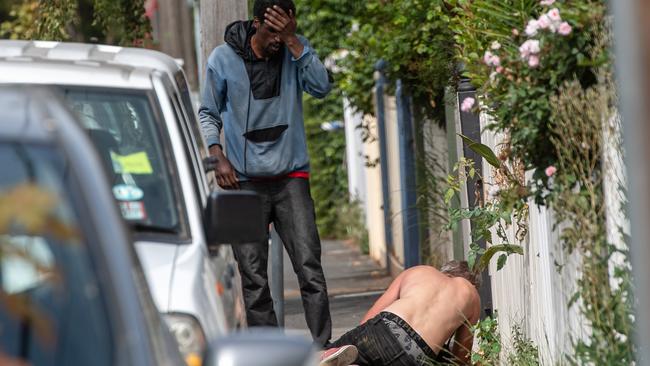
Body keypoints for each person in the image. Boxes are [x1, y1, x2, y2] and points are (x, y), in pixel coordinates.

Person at [199, 0, 333, 347]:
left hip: (291, 179)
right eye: (273, 31)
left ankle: (323, 347)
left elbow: (321, 87)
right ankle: (270, 351)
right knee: (253, 277)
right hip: (243, 182)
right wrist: (218, 157)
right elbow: (208, 113)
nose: (278, 39)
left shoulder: (294, 50)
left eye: (286, 30)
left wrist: (293, 42)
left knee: (309, 268)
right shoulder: (222, 59)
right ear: (256, 23)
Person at [321, 261, 481, 365]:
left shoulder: (421, 271)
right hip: (416, 355)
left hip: (385, 326)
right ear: (473, 283)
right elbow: (461, 357)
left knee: (341, 350)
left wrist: (359, 341)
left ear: (445, 271)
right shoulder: (472, 296)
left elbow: (369, 317)